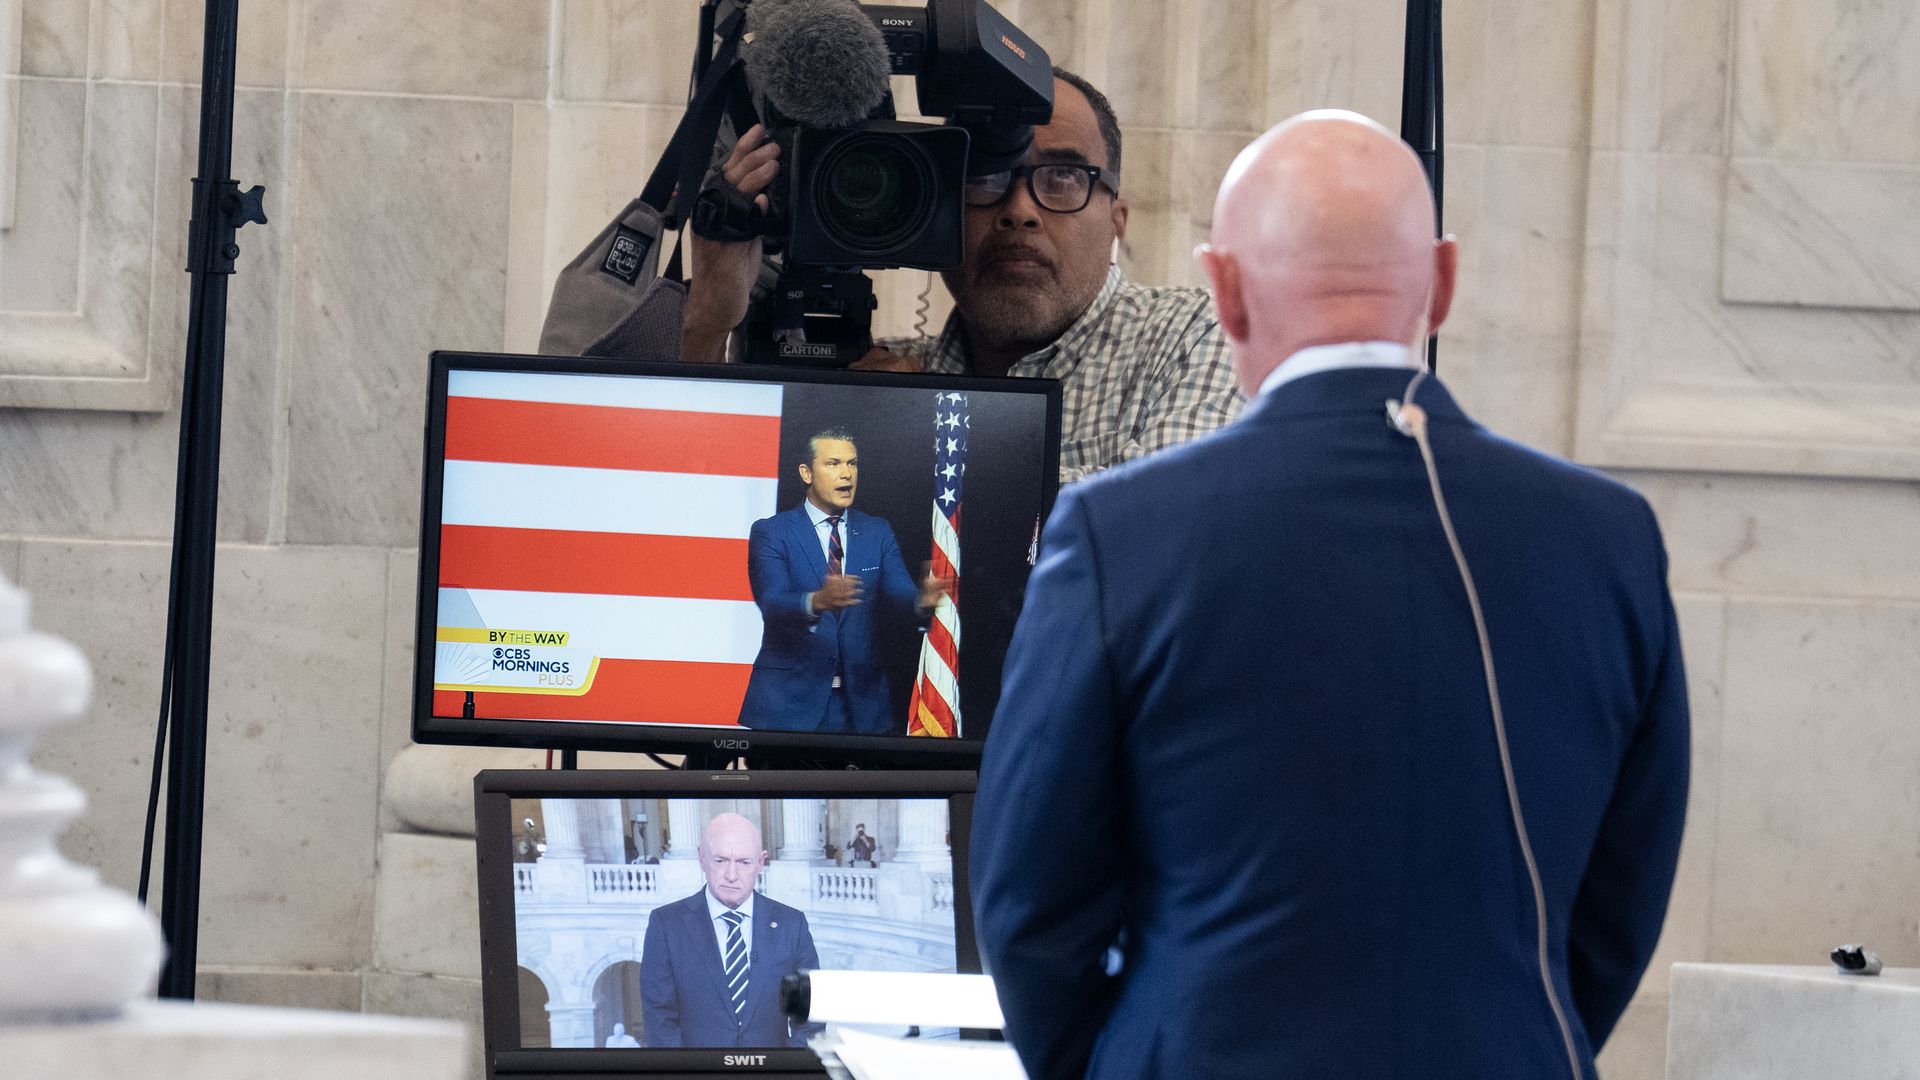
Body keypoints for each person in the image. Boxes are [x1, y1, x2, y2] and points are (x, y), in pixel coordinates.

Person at [969, 111, 1690, 1080]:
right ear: (1442, 283)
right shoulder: (1611, 539)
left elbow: (1029, 906)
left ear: (1223, 289)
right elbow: (1618, 913)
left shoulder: (1118, 534)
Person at [683, 69, 1242, 482]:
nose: (1019, 209)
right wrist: (709, 321)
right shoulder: (872, 375)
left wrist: (912, 444)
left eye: (1064, 177)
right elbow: (704, 494)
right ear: (935, 213)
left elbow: (1166, 529)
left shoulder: (1193, 333)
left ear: (1116, 219)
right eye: (983, 176)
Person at [736, 428, 950, 734]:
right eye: (834, 463)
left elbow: (899, 593)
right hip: (787, 707)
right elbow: (772, 600)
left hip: (862, 709)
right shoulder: (772, 531)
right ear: (806, 473)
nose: (846, 474)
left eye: (852, 464)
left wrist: (921, 602)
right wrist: (817, 601)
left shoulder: (877, 531)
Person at [641, 813, 820, 1048]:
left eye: (744, 862)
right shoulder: (666, 925)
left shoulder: (791, 924)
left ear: (760, 862)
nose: (732, 876)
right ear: (701, 858)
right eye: (720, 861)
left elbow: (809, 1016)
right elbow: (659, 1018)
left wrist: (781, 1070)